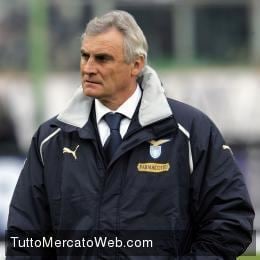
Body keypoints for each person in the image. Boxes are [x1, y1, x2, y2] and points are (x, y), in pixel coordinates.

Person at [7, 10, 254, 259]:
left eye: (102, 59)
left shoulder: (190, 131)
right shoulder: (51, 139)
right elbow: (25, 238)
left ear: (136, 64)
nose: (89, 68)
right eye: (85, 56)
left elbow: (230, 220)